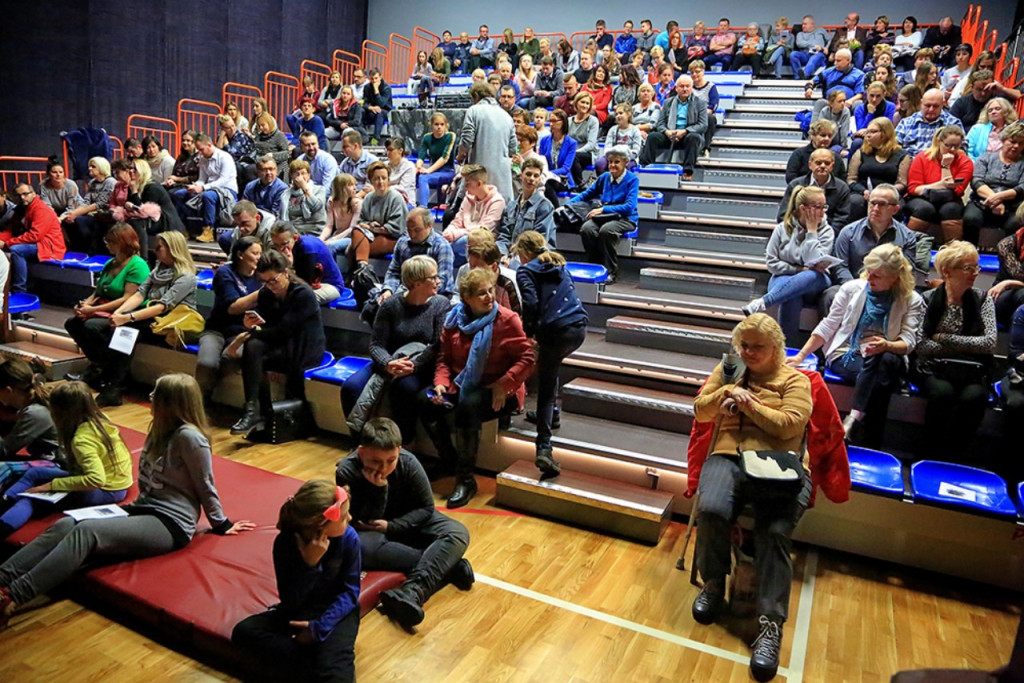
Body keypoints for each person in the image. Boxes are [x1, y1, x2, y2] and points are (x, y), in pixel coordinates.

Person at [0, 373, 254, 632]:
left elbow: (205, 483)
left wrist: (221, 523)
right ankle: (3, 575)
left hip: (170, 522)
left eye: (156, 395)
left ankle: (13, 597)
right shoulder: (160, 428)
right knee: (67, 523)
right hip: (142, 508)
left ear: (171, 403)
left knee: (87, 533)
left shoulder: (190, 438)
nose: (151, 398)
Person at [690, 312, 813, 681]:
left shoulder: (796, 380)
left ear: (776, 347)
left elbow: (791, 423)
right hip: (727, 456)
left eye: (757, 347)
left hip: (780, 466)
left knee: (774, 532)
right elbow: (700, 411)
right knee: (710, 509)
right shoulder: (729, 370)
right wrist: (727, 392)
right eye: (743, 345)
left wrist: (750, 405)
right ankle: (713, 582)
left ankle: (770, 623)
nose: (748, 352)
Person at [334, 418, 472, 631]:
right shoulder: (347, 471)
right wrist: (379, 490)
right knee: (361, 548)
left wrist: (393, 526)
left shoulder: (409, 462)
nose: (384, 468)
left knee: (457, 532)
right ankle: (448, 565)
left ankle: (412, 591)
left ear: (399, 450)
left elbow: (426, 509)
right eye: (376, 461)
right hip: (372, 529)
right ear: (361, 453)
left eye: (391, 460)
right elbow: (362, 519)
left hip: (406, 522)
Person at [789, 244, 923, 447]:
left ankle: (853, 419)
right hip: (848, 353)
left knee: (882, 358)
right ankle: (867, 438)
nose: (869, 278)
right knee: (881, 378)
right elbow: (828, 324)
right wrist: (801, 355)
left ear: (895, 277)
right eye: (869, 272)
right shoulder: (851, 289)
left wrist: (886, 344)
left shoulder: (912, 300)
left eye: (877, 276)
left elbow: (909, 341)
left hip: (889, 354)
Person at [423, 267, 535, 509]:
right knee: (426, 401)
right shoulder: (454, 319)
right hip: (460, 384)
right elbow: (443, 358)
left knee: (468, 406)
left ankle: (466, 480)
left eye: (491, 290)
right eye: (482, 293)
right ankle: (448, 461)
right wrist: (441, 383)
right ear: (467, 299)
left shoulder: (507, 320)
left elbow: (528, 359)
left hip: (501, 389)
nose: (490, 297)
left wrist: (502, 385)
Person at [232, 480, 359, 682]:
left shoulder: (349, 538)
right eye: (344, 517)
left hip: (336, 612)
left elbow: (350, 593)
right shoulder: (285, 542)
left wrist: (319, 628)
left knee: (337, 677)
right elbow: (290, 601)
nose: (350, 519)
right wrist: (310, 566)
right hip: (299, 610)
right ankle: (313, 662)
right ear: (320, 524)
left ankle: (316, 662)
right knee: (243, 632)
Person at [0, 381, 132, 539]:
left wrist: (51, 485)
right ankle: (5, 499)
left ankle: (3, 526)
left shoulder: (82, 440)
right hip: (115, 480)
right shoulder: (100, 419)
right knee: (35, 474)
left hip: (108, 489)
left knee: (31, 499)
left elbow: (96, 479)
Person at [83, 232, 199, 406]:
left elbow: (162, 306)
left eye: (159, 247)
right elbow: (140, 294)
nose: (155, 250)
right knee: (114, 330)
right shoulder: (158, 269)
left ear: (172, 249)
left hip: (171, 323)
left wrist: (127, 318)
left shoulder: (186, 277)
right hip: (150, 317)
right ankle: (112, 380)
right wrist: (120, 313)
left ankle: (113, 384)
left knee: (126, 332)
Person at [341, 257, 450, 441]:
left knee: (405, 388)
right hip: (390, 361)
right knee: (350, 387)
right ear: (416, 283)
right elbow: (376, 344)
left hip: (420, 365)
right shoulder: (391, 305)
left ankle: (404, 443)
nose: (438, 281)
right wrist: (388, 363)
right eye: (433, 277)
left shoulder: (440, 304)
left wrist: (413, 365)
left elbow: (436, 345)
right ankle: (360, 443)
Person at [513, 231, 587, 477]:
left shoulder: (526, 270)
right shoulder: (559, 264)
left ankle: (543, 447)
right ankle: (552, 414)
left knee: (545, 387)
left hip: (555, 330)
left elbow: (531, 304)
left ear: (524, 253)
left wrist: (530, 332)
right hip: (578, 328)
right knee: (552, 369)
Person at [913, 241, 996, 460]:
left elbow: (989, 343)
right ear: (947, 271)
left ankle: (954, 457)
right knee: (942, 393)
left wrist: (944, 339)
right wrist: (965, 345)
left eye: (976, 267)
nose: (975, 273)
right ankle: (929, 455)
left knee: (975, 397)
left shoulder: (983, 299)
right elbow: (921, 345)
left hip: (971, 369)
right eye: (968, 268)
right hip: (933, 368)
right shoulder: (928, 299)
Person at [230, 250, 326, 436]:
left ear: (285, 273)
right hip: (281, 344)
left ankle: (258, 413)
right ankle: (253, 410)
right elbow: (267, 326)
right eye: (263, 282)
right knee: (253, 349)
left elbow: (283, 331)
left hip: (304, 347)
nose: (269, 286)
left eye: (273, 280)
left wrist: (255, 332)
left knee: (254, 352)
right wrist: (250, 325)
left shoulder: (303, 293)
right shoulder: (266, 293)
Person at [64, 223, 151, 384]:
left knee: (92, 326)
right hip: (104, 307)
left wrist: (93, 310)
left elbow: (127, 298)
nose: (107, 244)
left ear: (124, 243)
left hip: (126, 311)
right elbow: (98, 292)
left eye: (112, 241)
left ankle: (104, 368)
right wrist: (85, 306)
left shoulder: (138, 265)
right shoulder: (110, 264)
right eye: (107, 241)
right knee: (73, 323)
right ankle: (100, 365)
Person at [746, 186, 835, 341]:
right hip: (783, 277)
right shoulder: (782, 229)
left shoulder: (827, 231)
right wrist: (797, 270)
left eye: (824, 207)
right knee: (792, 296)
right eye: (818, 207)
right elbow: (772, 263)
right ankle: (787, 350)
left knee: (811, 275)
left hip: (816, 282)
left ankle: (764, 302)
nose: (823, 212)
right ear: (803, 208)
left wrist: (812, 232)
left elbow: (815, 261)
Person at [195, 236, 262, 400]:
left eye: (261, 253)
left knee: (233, 356)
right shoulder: (225, 272)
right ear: (240, 255)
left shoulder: (261, 275)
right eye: (255, 253)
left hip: (244, 333)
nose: (259, 258)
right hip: (217, 330)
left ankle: (201, 394)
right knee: (206, 364)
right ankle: (198, 405)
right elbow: (233, 308)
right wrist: (262, 292)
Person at [569, 146, 638, 282]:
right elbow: (586, 194)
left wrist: (603, 210)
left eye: (616, 162)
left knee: (606, 231)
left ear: (625, 162)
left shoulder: (632, 180)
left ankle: (611, 270)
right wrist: (567, 205)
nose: (612, 165)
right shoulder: (604, 177)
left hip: (625, 218)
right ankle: (595, 266)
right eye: (610, 162)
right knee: (587, 229)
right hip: (604, 216)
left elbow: (629, 207)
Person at [905, 125, 973, 243]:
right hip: (922, 198)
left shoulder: (965, 162)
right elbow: (913, 188)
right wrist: (940, 184)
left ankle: (954, 251)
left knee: (951, 209)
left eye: (956, 146)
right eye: (947, 145)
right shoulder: (922, 157)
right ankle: (907, 245)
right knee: (924, 209)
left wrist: (945, 166)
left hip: (950, 200)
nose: (952, 149)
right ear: (939, 142)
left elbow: (957, 191)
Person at [963, 121, 1024, 243]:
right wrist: (994, 201)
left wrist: (999, 197)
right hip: (981, 202)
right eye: (1012, 142)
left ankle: (1008, 257)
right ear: (1003, 140)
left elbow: (1022, 187)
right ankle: (969, 254)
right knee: (970, 218)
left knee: (1016, 223)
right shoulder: (985, 158)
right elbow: (977, 182)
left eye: (1021, 143)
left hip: (1012, 206)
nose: (1016, 146)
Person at [169, 133, 237, 243]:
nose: (199, 153)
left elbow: (223, 180)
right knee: (179, 194)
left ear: (209, 145)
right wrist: (195, 185)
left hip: (226, 190)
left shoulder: (225, 158)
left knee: (207, 195)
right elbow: (202, 178)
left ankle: (208, 229)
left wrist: (203, 187)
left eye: (201, 149)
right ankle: (184, 228)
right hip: (209, 188)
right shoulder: (203, 159)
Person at [638, 75, 708, 180]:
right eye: (682, 86)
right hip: (669, 133)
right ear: (676, 88)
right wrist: (667, 132)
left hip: (688, 134)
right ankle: (646, 167)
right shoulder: (668, 102)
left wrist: (684, 131)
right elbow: (660, 123)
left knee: (694, 138)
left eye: (687, 86)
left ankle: (688, 171)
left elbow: (703, 125)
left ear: (691, 87)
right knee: (652, 137)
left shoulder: (700, 103)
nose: (685, 89)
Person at [458, 83, 518, 204]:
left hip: (479, 172)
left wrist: (461, 155)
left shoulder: (473, 110)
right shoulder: (507, 116)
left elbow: (466, 139)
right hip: (502, 177)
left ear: (476, 96)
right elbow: (513, 149)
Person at [0, 184, 65, 294]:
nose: (22, 198)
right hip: (34, 243)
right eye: (18, 195)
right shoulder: (20, 209)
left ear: (34, 194)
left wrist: (7, 243)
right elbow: (11, 230)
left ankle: (19, 290)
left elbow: (35, 235)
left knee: (16, 250)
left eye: (25, 194)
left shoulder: (41, 209)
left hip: (48, 245)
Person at [348, 161, 408, 280]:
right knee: (356, 232)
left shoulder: (396, 198)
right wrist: (369, 224)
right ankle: (363, 271)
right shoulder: (369, 198)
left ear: (388, 179)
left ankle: (360, 274)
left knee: (353, 248)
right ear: (371, 180)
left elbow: (397, 229)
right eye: (376, 179)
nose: (380, 182)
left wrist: (372, 228)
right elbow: (361, 222)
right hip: (371, 235)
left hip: (394, 238)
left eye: (383, 178)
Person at [382, 209, 454, 301]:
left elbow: (442, 281)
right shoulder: (402, 242)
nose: (412, 234)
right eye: (409, 230)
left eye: (417, 230)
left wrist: (414, 295)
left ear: (429, 226)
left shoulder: (442, 246)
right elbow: (394, 272)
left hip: (436, 294)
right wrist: (389, 290)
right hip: (405, 291)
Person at [846, 118, 909, 221]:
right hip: (863, 193)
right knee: (855, 202)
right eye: (867, 132)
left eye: (873, 132)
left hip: (889, 193)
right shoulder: (861, 152)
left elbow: (902, 183)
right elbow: (851, 179)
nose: (868, 135)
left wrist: (883, 193)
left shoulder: (902, 155)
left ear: (886, 133)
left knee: (895, 206)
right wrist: (863, 191)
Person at [444, 165, 506, 267]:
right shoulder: (467, 198)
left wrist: (455, 234)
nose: (465, 187)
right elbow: (457, 221)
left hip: (483, 243)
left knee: (457, 244)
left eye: (468, 183)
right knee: (444, 242)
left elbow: (482, 230)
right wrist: (449, 231)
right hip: (462, 240)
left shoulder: (497, 201)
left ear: (479, 183)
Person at [270, 221, 344, 305]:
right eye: (276, 245)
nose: (280, 249)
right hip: (305, 282)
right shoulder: (282, 247)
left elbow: (304, 286)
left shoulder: (308, 249)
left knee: (301, 299)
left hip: (330, 285)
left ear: (295, 238)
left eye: (284, 244)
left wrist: (289, 266)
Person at [778, 148, 851, 233]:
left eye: (827, 163)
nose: (823, 166)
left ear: (832, 166)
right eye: (818, 163)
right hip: (797, 233)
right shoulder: (795, 185)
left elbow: (841, 219)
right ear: (810, 165)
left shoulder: (842, 188)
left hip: (828, 236)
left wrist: (826, 234)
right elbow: (784, 215)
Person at [0, 358, 60, 462]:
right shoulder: (33, 403)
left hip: (57, 464)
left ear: (8, 390)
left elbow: (4, 451)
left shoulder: (34, 413)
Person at [498, 158, 556, 262]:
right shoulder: (511, 206)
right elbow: (504, 235)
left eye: (536, 176)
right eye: (528, 174)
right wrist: (502, 254)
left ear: (539, 179)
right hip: (511, 255)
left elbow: (540, 242)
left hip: (534, 257)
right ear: (521, 176)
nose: (532, 178)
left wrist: (513, 257)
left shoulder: (545, 206)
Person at [59, 156, 116, 253]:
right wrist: (71, 214)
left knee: (81, 221)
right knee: (70, 221)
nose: (89, 168)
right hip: (93, 214)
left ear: (101, 168)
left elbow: (100, 204)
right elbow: (86, 202)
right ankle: (79, 250)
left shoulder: (110, 182)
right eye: (89, 166)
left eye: (93, 166)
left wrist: (75, 214)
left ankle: (91, 250)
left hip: (107, 215)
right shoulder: (92, 183)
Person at [895, 89, 963, 157]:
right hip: (910, 164)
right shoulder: (906, 123)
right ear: (921, 103)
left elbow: (962, 149)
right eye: (927, 105)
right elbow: (895, 147)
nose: (931, 109)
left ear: (942, 104)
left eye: (935, 106)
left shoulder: (953, 123)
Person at [321, 173, 362, 272]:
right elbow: (329, 226)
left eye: (355, 185)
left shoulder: (358, 203)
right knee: (318, 245)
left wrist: (332, 240)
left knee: (331, 246)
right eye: (350, 185)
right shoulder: (331, 202)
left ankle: (332, 275)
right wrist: (321, 238)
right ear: (341, 188)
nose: (355, 188)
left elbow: (352, 229)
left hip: (351, 237)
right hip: (337, 235)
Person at [415, 113, 456, 208]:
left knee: (423, 178)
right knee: (413, 176)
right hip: (434, 172)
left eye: (442, 124)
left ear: (446, 125)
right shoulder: (427, 137)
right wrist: (418, 167)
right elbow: (421, 156)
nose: (439, 127)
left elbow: (444, 158)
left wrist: (428, 170)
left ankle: (422, 208)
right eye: (436, 124)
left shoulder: (450, 136)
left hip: (448, 172)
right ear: (431, 125)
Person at [850, 82, 897, 157]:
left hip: (884, 138)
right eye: (871, 95)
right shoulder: (859, 109)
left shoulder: (891, 107)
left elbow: (888, 128)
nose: (874, 99)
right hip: (866, 139)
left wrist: (869, 130)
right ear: (867, 93)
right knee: (857, 142)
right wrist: (870, 113)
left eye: (878, 96)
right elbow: (861, 130)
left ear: (884, 95)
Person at [539, 109, 578, 195]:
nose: (551, 124)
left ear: (563, 122)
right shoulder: (544, 140)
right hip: (545, 177)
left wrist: (548, 174)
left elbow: (566, 168)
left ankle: (555, 208)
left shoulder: (572, 143)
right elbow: (540, 161)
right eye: (550, 121)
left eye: (554, 121)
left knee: (548, 184)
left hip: (562, 179)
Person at [991, 229, 1024, 328]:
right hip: (1003, 293)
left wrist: (1009, 282)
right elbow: (1019, 274)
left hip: (1009, 285)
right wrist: (1007, 284)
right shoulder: (1006, 244)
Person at [596, 105, 642, 174]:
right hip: (612, 156)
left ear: (628, 114)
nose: (618, 116)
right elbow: (607, 148)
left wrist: (622, 157)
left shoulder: (635, 130)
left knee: (623, 165)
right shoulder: (612, 129)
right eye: (616, 114)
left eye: (621, 113)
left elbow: (636, 150)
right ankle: (604, 183)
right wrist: (613, 157)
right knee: (599, 164)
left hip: (628, 158)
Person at [242, 154, 289, 221]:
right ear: (257, 172)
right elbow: (244, 208)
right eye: (264, 170)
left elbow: (275, 215)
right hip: (252, 222)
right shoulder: (250, 186)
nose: (268, 173)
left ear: (276, 170)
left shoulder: (282, 189)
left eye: (271, 169)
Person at [567, 92, 600, 186]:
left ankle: (580, 184)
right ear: (576, 103)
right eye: (582, 102)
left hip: (588, 153)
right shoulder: (569, 121)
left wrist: (575, 151)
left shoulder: (593, 121)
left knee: (573, 156)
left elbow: (591, 144)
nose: (585, 105)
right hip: (573, 152)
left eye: (587, 103)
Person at [217, 114, 258, 189]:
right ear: (223, 129)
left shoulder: (240, 135)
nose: (232, 129)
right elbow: (218, 151)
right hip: (237, 161)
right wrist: (222, 136)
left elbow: (233, 154)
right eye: (228, 128)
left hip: (249, 159)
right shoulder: (223, 136)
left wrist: (226, 143)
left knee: (237, 167)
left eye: (233, 125)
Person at [688, 61, 720, 153]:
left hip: (705, 114)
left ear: (703, 71)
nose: (694, 74)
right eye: (692, 72)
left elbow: (713, 105)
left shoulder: (711, 87)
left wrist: (700, 114)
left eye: (697, 71)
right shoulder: (688, 87)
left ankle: (706, 148)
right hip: (690, 114)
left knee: (710, 118)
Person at [250, 114, 291, 184]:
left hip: (278, 166)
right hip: (261, 164)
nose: (261, 128)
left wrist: (272, 156)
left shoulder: (279, 135)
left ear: (269, 123)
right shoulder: (259, 137)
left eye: (263, 125)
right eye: (259, 126)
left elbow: (287, 154)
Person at [337, 129, 375, 196]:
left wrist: (355, 197)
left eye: (345, 147)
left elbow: (369, 187)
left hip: (366, 197)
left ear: (355, 146)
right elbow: (340, 183)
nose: (342, 150)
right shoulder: (344, 163)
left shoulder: (372, 161)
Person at [789, 15, 829, 80]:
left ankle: (805, 74)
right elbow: (799, 44)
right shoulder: (800, 34)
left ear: (812, 24)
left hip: (819, 54)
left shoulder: (821, 30)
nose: (803, 26)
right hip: (805, 54)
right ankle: (797, 77)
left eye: (805, 24)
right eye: (802, 24)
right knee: (793, 54)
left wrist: (826, 48)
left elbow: (830, 40)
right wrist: (814, 45)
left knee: (814, 57)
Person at [361, 69, 393, 144]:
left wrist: (376, 90)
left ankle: (375, 139)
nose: (374, 81)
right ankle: (361, 136)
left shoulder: (386, 88)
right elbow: (364, 103)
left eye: (376, 78)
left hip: (385, 111)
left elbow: (381, 104)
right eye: (372, 79)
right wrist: (371, 107)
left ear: (380, 77)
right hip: (372, 109)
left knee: (380, 112)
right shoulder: (367, 87)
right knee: (361, 111)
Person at [384, 137, 416, 206]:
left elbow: (402, 189)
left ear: (400, 151)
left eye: (391, 150)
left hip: (406, 203)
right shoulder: (384, 165)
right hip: (386, 201)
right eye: (387, 150)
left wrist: (385, 187)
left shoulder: (409, 166)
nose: (388, 153)